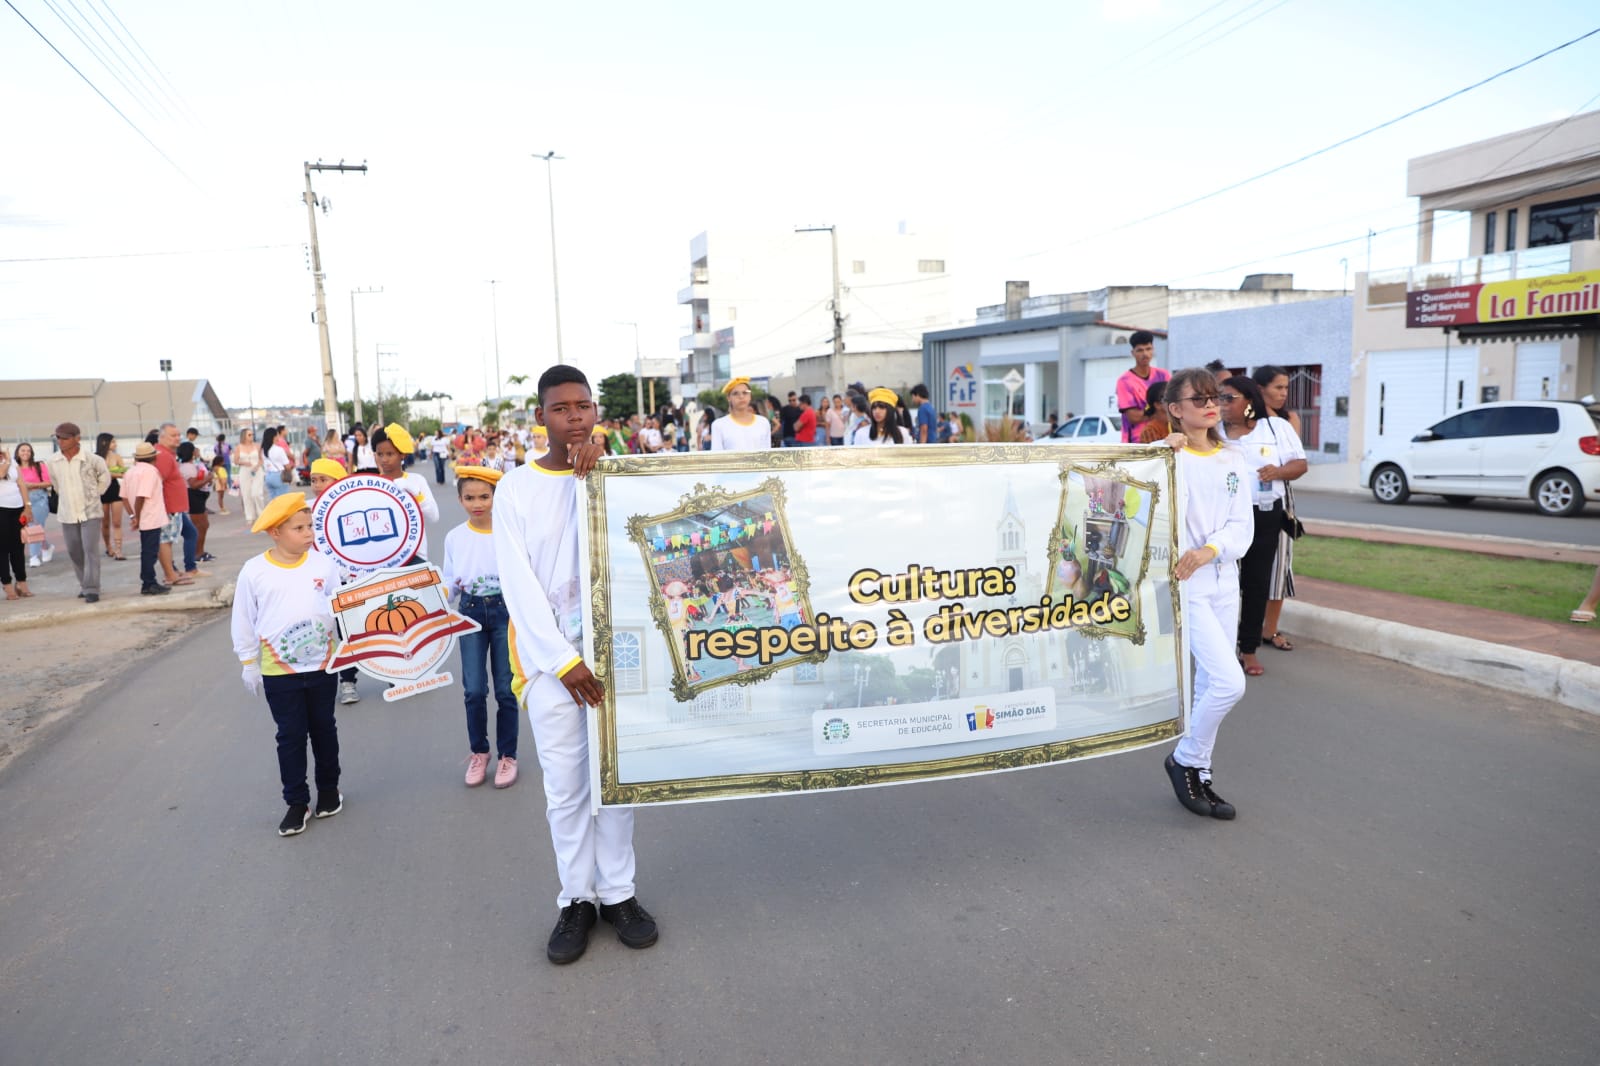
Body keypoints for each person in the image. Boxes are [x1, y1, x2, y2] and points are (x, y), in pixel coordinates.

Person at [494, 364, 657, 965]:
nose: (574, 417)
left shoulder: (614, 476)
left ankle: (619, 893)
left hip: (618, 657)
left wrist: (604, 472)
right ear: (541, 417)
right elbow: (519, 587)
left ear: (596, 413)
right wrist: (564, 662)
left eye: (583, 407)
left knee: (615, 782)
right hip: (549, 668)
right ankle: (576, 899)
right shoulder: (515, 490)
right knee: (566, 789)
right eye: (561, 408)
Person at [1160, 367, 1254, 820]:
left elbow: (1242, 525)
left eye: (1214, 396)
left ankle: (1198, 768)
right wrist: (1161, 450)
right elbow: (1124, 487)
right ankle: (1185, 760)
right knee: (1228, 682)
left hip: (1223, 578)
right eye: (1197, 400)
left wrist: (1209, 550)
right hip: (1186, 585)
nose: (1211, 404)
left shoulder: (1233, 457)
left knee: (1208, 685)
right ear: (1176, 410)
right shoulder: (1167, 459)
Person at [231, 491, 344, 837]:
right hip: (280, 672)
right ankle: (297, 801)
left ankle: (328, 790)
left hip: (323, 665)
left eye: (310, 526)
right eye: (299, 528)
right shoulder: (255, 571)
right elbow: (244, 619)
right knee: (291, 736)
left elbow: (341, 607)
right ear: (276, 533)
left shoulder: (324, 565)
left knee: (324, 729)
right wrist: (249, 662)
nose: (309, 533)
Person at [1220, 376, 1307, 679]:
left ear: (1247, 400)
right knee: (1225, 583)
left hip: (1265, 514)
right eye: (1219, 398)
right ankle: (1222, 648)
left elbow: (1300, 465)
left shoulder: (1276, 428)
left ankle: (1248, 649)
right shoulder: (1212, 433)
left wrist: (1278, 471)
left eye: (1229, 398)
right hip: (1224, 518)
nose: (1222, 404)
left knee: (1257, 583)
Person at [444, 466, 519, 789]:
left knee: (505, 689)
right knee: (474, 689)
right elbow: (449, 582)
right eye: (470, 497)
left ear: (495, 497)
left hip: (505, 613)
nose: (478, 503)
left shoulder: (510, 531)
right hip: (471, 612)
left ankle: (508, 755)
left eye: (484, 496)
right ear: (460, 500)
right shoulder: (455, 537)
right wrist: (443, 594)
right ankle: (479, 752)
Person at [1251, 365, 1307, 651]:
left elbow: (1297, 463)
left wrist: (1277, 472)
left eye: (1286, 388)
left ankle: (1269, 630)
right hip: (1245, 505)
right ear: (1260, 389)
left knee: (1278, 567)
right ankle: (1244, 630)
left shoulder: (1286, 421)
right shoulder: (1243, 422)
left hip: (1278, 502)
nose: (1283, 393)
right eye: (1278, 388)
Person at [44, 422, 111, 604]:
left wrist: (95, 493)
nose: (60, 441)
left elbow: (105, 477)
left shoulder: (93, 459)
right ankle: (84, 584)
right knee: (74, 551)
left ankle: (92, 588)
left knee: (90, 550)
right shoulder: (53, 461)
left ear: (77, 438)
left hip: (90, 511)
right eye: (57, 437)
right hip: (67, 513)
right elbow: (56, 485)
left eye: (64, 438)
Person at [372, 423, 440, 558]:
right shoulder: (372, 485)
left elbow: (434, 517)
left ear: (402, 454)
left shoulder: (417, 480)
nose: (384, 459)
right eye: (380, 454)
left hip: (415, 553)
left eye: (390, 454)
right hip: (383, 557)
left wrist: (417, 495)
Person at [155, 424, 202, 585]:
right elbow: (157, 483)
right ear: (162, 437)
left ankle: (179, 570)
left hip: (175, 507)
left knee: (189, 533)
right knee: (165, 540)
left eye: (178, 435)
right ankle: (170, 574)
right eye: (173, 435)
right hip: (168, 507)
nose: (177, 438)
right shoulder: (163, 456)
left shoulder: (168, 455)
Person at [121, 441, 169, 595]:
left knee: (147, 551)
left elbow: (124, 497)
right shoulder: (151, 471)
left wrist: (132, 515)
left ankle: (148, 581)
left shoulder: (130, 472)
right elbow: (142, 496)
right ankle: (149, 582)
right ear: (153, 457)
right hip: (151, 517)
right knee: (150, 552)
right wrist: (138, 517)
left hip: (143, 516)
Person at [1116, 330, 1170, 443]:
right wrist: (1159, 412)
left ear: (1153, 350)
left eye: (1148, 349)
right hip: (1136, 443)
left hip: (1165, 436)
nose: (1145, 354)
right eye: (1140, 350)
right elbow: (1133, 417)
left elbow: (1173, 406)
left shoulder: (1164, 375)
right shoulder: (1125, 381)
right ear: (1133, 353)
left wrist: (1149, 413)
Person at [0, 443, 32, 600]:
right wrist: (5, 461)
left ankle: (21, 582)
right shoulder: (7, 461)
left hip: (17, 507)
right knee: (3, 548)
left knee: (18, 547)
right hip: (1, 509)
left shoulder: (12, 461)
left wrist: (27, 506)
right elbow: (0, 474)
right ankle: (6, 584)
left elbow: (21, 484)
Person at [14, 442, 52, 568]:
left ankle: (34, 556)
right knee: (31, 528)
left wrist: (31, 485)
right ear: (18, 453)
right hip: (19, 500)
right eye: (23, 450)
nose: (26, 453)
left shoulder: (39, 466)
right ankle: (46, 547)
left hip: (39, 498)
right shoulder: (14, 468)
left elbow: (48, 482)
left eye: (28, 451)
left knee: (33, 526)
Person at [710, 378, 772, 452]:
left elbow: (767, 454)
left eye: (745, 392)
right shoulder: (719, 425)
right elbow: (717, 457)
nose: (741, 396)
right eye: (735, 393)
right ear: (728, 398)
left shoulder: (763, 422)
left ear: (750, 396)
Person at [177, 441, 214, 563]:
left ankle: (200, 551)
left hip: (198, 497)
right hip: (194, 497)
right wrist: (207, 479)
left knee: (204, 525)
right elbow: (193, 485)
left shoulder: (193, 465)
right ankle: (197, 553)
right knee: (199, 526)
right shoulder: (187, 467)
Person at [97, 434, 127, 560]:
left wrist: (110, 473)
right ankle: (108, 546)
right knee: (104, 523)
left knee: (117, 522)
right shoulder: (96, 457)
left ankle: (118, 549)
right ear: (104, 442)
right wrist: (113, 473)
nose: (115, 444)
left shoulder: (117, 457)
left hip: (114, 489)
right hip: (101, 491)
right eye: (113, 442)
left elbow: (123, 473)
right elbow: (96, 474)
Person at [235, 428, 265, 524]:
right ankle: (250, 516)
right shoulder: (239, 447)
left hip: (257, 470)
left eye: (252, 434)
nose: (251, 436)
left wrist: (257, 466)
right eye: (249, 435)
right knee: (246, 494)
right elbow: (236, 461)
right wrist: (244, 462)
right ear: (244, 436)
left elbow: (261, 459)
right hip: (245, 471)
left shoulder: (257, 446)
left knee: (256, 493)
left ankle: (261, 515)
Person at [260, 427, 290, 500]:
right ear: (273, 437)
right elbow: (287, 465)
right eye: (277, 435)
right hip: (279, 476)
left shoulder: (263, 450)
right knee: (283, 499)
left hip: (268, 477)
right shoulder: (279, 449)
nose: (278, 437)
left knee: (273, 500)